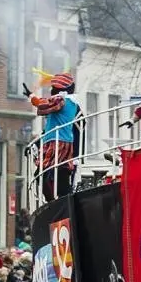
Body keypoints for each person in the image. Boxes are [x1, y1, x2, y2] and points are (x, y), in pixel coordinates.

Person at [27, 72, 82, 202]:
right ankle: (61, 202)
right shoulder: (72, 102)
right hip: (61, 141)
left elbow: (43, 105)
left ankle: (55, 203)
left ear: (59, 89)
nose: (51, 90)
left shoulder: (61, 100)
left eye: (53, 88)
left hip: (57, 142)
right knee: (60, 174)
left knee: (42, 174)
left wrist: (32, 97)